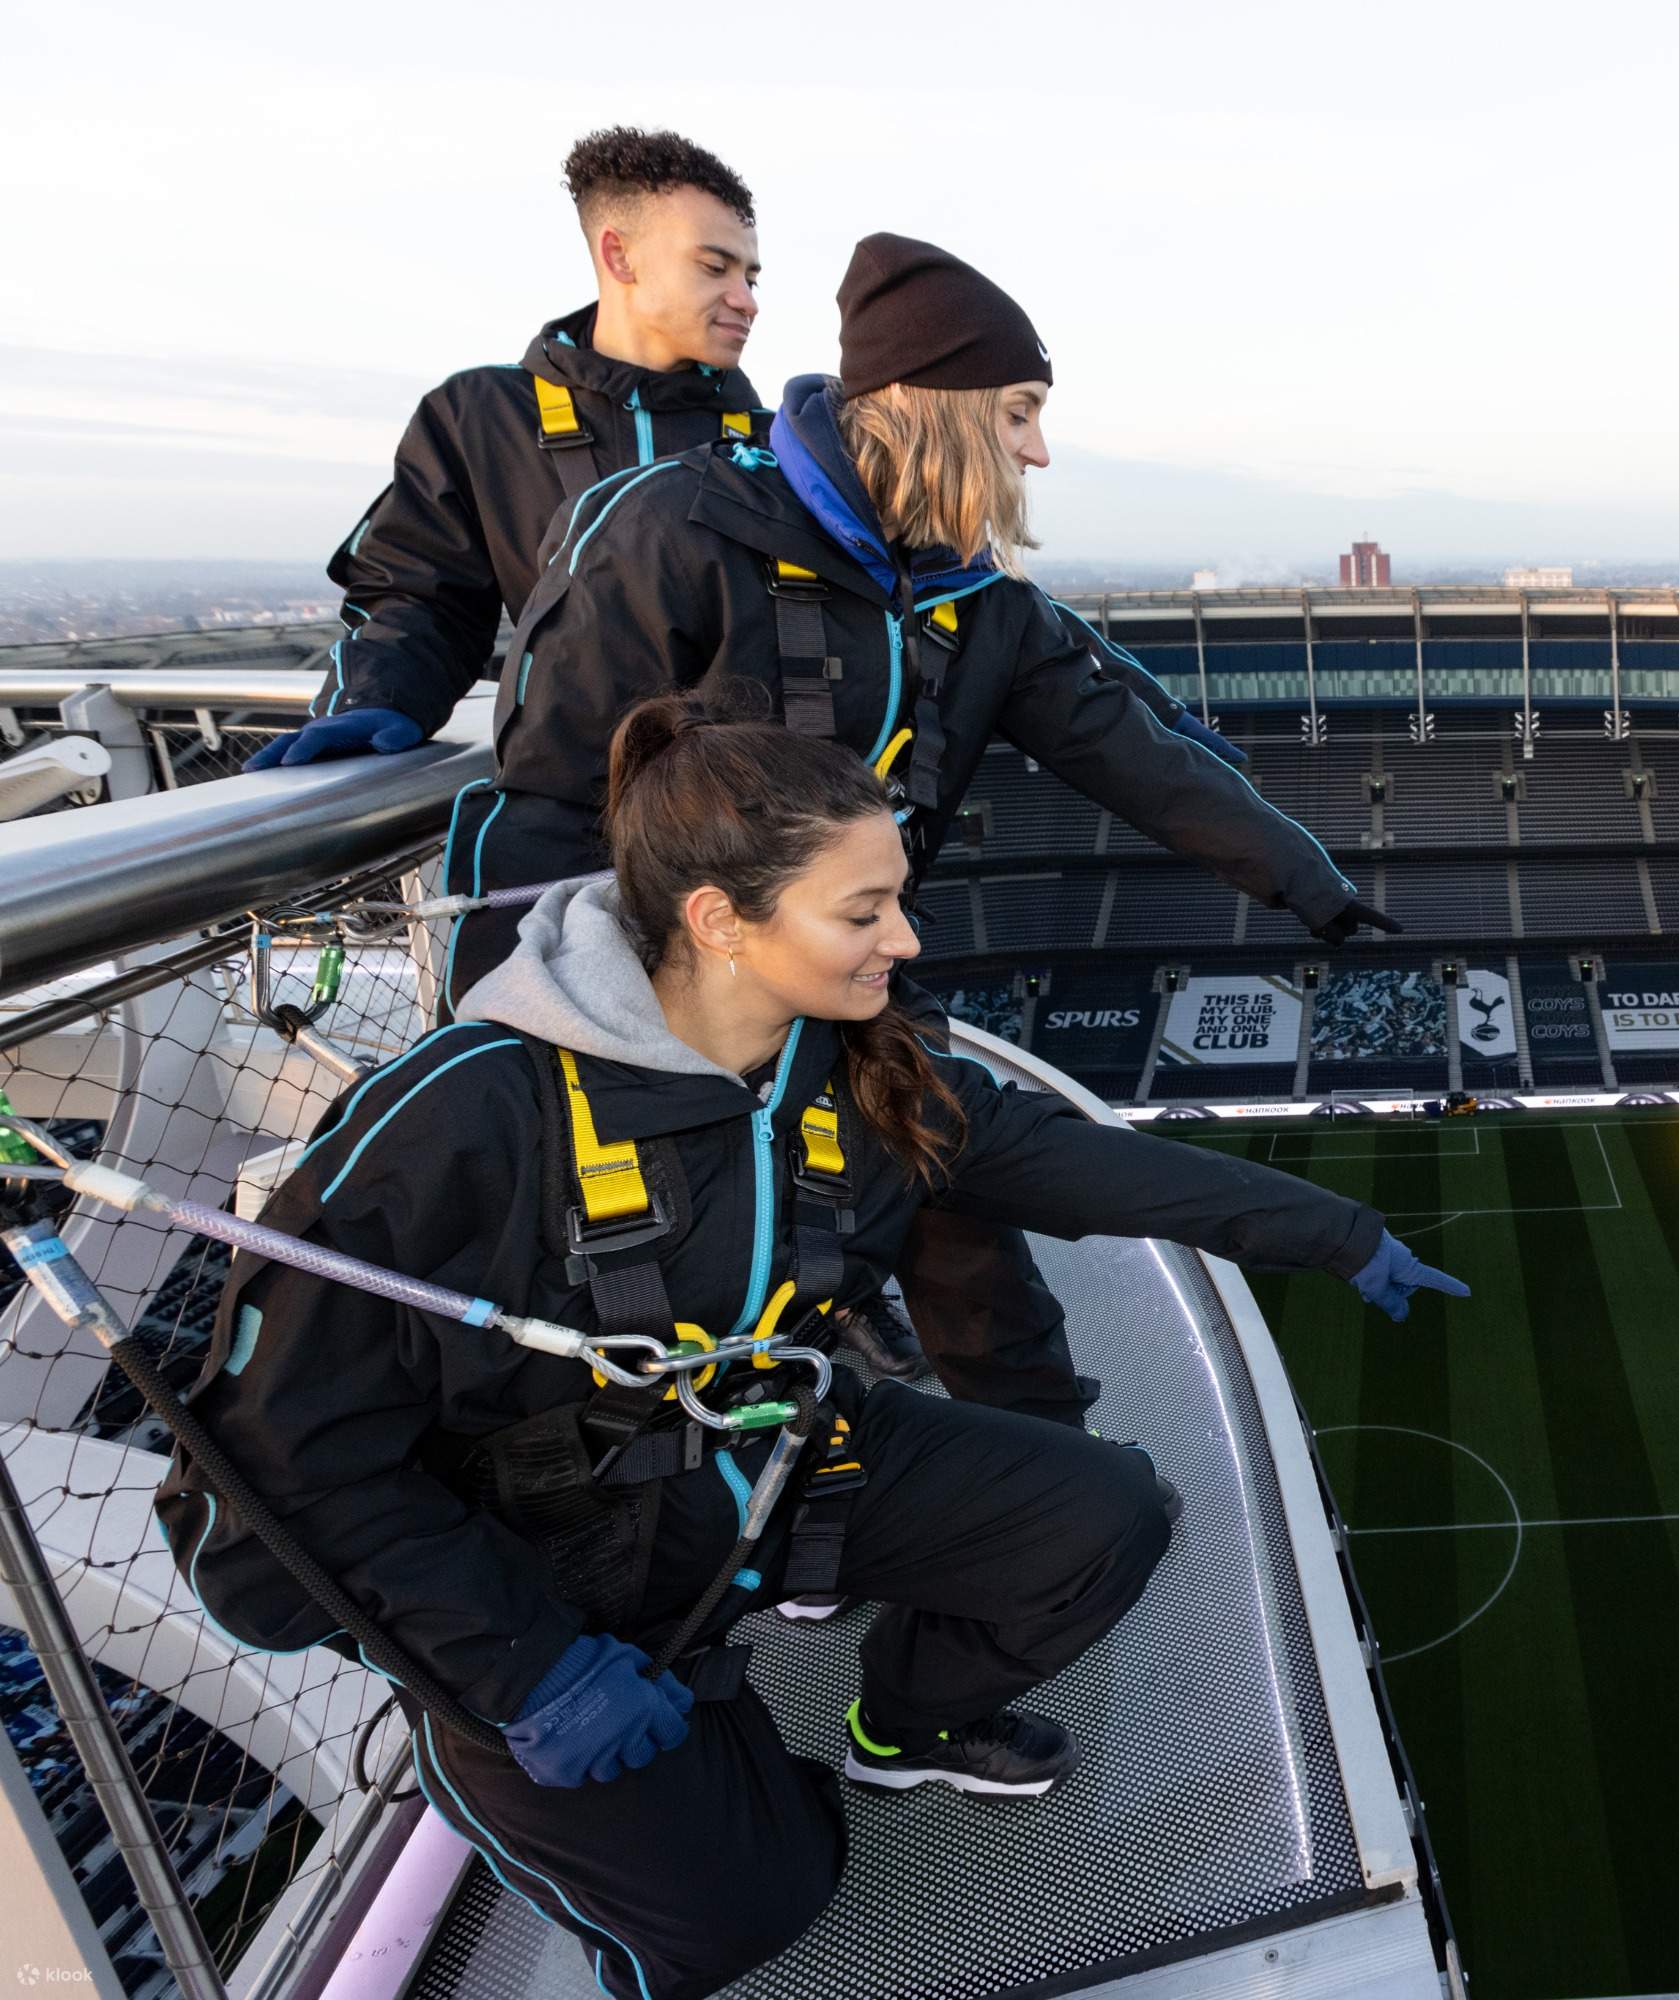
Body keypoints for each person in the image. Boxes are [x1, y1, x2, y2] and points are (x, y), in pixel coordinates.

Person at [156, 697, 1466, 2000]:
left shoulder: (851, 1069)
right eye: (864, 910)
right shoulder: (457, 1122)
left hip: (776, 1476)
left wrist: (1339, 1235)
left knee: (1099, 1514)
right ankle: (583, 1764)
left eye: (896, 898)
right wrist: (526, 1671)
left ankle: (902, 1726)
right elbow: (281, 1468)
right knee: (753, 1909)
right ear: (720, 920)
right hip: (552, 1579)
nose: (905, 936)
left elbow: (1074, 1167)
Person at [451, 230, 1397, 1439]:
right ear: (930, 405)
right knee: (708, 1262)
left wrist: (1308, 880)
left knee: (966, 1239)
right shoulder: (670, 531)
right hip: (674, 1009)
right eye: (1017, 414)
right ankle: (725, 1512)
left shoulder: (973, 596)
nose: (1037, 451)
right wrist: (572, 1032)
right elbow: (548, 799)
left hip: (855, 971)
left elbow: (1133, 747)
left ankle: (1054, 1476)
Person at [246, 129, 772, 772]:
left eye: (750, 275)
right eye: (715, 267)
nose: (746, 300)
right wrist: (380, 699)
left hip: (760, 825)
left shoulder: (773, 442)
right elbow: (422, 594)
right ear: (620, 257)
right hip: (573, 812)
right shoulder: (482, 417)